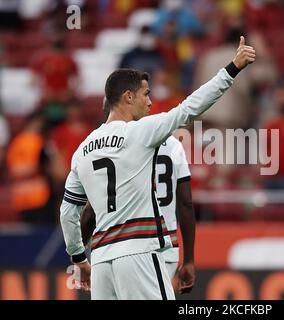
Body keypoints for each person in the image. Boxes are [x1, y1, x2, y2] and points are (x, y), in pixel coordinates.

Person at [59, 36, 255, 299]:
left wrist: (79, 257)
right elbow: (189, 109)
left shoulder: (83, 149)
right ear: (128, 97)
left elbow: (68, 212)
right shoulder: (140, 132)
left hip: (102, 259)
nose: (150, 103)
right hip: (139, 252)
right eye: (145, 95)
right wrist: (232, 69)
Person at [80, 135, 196, 294]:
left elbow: (92, 208)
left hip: (121, 242)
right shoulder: (173, 144)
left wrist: (78, 256)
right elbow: (186, 203)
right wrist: (189, 259)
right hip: (164, 246)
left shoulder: (118, 142)